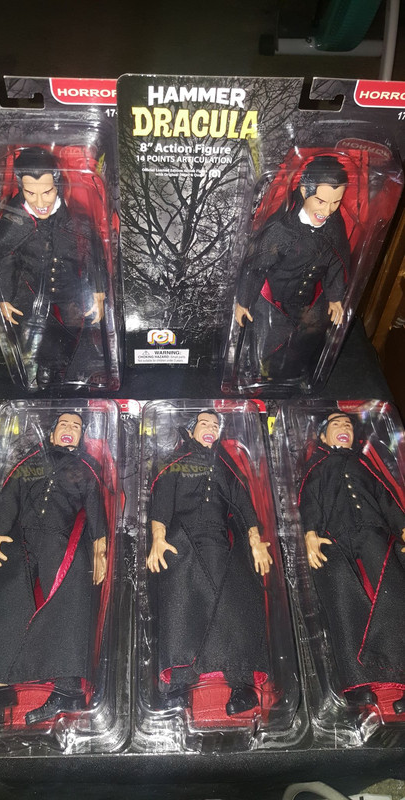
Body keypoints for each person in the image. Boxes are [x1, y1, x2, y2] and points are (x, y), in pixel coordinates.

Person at [0, 412, 109, 726]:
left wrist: (100, 547)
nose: (69, 429)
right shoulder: (29, 463)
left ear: (82, 437)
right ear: (52, 432)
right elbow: (9, 495)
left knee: (68, 600)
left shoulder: (84, 469)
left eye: (76, 426)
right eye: (64, 424)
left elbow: (96, 507)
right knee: (7, 599)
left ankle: (68, 688)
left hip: (60, 539)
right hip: (22, 538)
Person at [147, 409, 273, 716]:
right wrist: (158, 538)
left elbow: (242, 504)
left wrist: (255, 541)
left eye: (215, 425)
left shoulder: (225, 466)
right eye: (204, 423)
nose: (210, 428)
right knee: (180, 605)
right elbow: (161, 501)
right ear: (191, 431)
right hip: (180, 540)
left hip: (217, 540)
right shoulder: (173, 463)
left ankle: (241, 685)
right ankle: (179, 686)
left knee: (227, 605)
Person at [298, 411, 405, 713]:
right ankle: (358, 684)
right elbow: (309, 500)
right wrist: (309, 534)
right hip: (334, 536)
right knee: (342, 603)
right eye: (336, 424)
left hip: (374, 532)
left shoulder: (364, 464)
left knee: (393, 594)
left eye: (347, 424)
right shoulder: (317, 466)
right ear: (322, 436)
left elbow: (386, 498)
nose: (343, 427)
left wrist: (401, 527)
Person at [0, 147, 107, 388]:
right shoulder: (14, 220)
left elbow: (93, 254)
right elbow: (2, 256)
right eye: (30, 193)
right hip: (30, 288)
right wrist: (3, 297)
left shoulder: (75, 217)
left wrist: (98, 290)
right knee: (34, 336)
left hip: (70, 288)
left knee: (77, 331)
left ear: (57, 186)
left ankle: (71, 371)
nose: (40, 202)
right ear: (21, 188)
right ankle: (43, 369)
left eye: (47, 192)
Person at [234, 155, 350, 381]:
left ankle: (293, 375)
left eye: (336, 203)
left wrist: (335, 297)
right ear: (305, 191)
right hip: (274, 302)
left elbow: (336, 262)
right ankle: (260, 373)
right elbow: (256, 266)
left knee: (307, 338)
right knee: (268, 342)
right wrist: (243, 301)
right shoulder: (281, 228)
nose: (328, 211)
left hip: (307, 301)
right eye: (321, 201)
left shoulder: (334, 226)